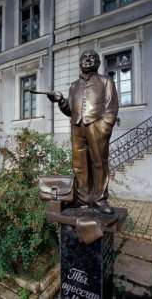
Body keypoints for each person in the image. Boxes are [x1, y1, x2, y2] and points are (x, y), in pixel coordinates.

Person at [47, 49, 118, 214]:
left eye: (92, 57)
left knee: (99, 163)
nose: (88, 60)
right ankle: (83, 199)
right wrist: (61, 101)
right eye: (84, 57)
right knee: (79, 165)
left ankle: (100, 199)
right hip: (77, 128)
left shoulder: (105, 81)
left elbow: (111, 107)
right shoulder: (74, 86)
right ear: (80, 62)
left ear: (98, 63)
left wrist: (104, 127)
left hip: (96, 127)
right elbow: (70, 111)